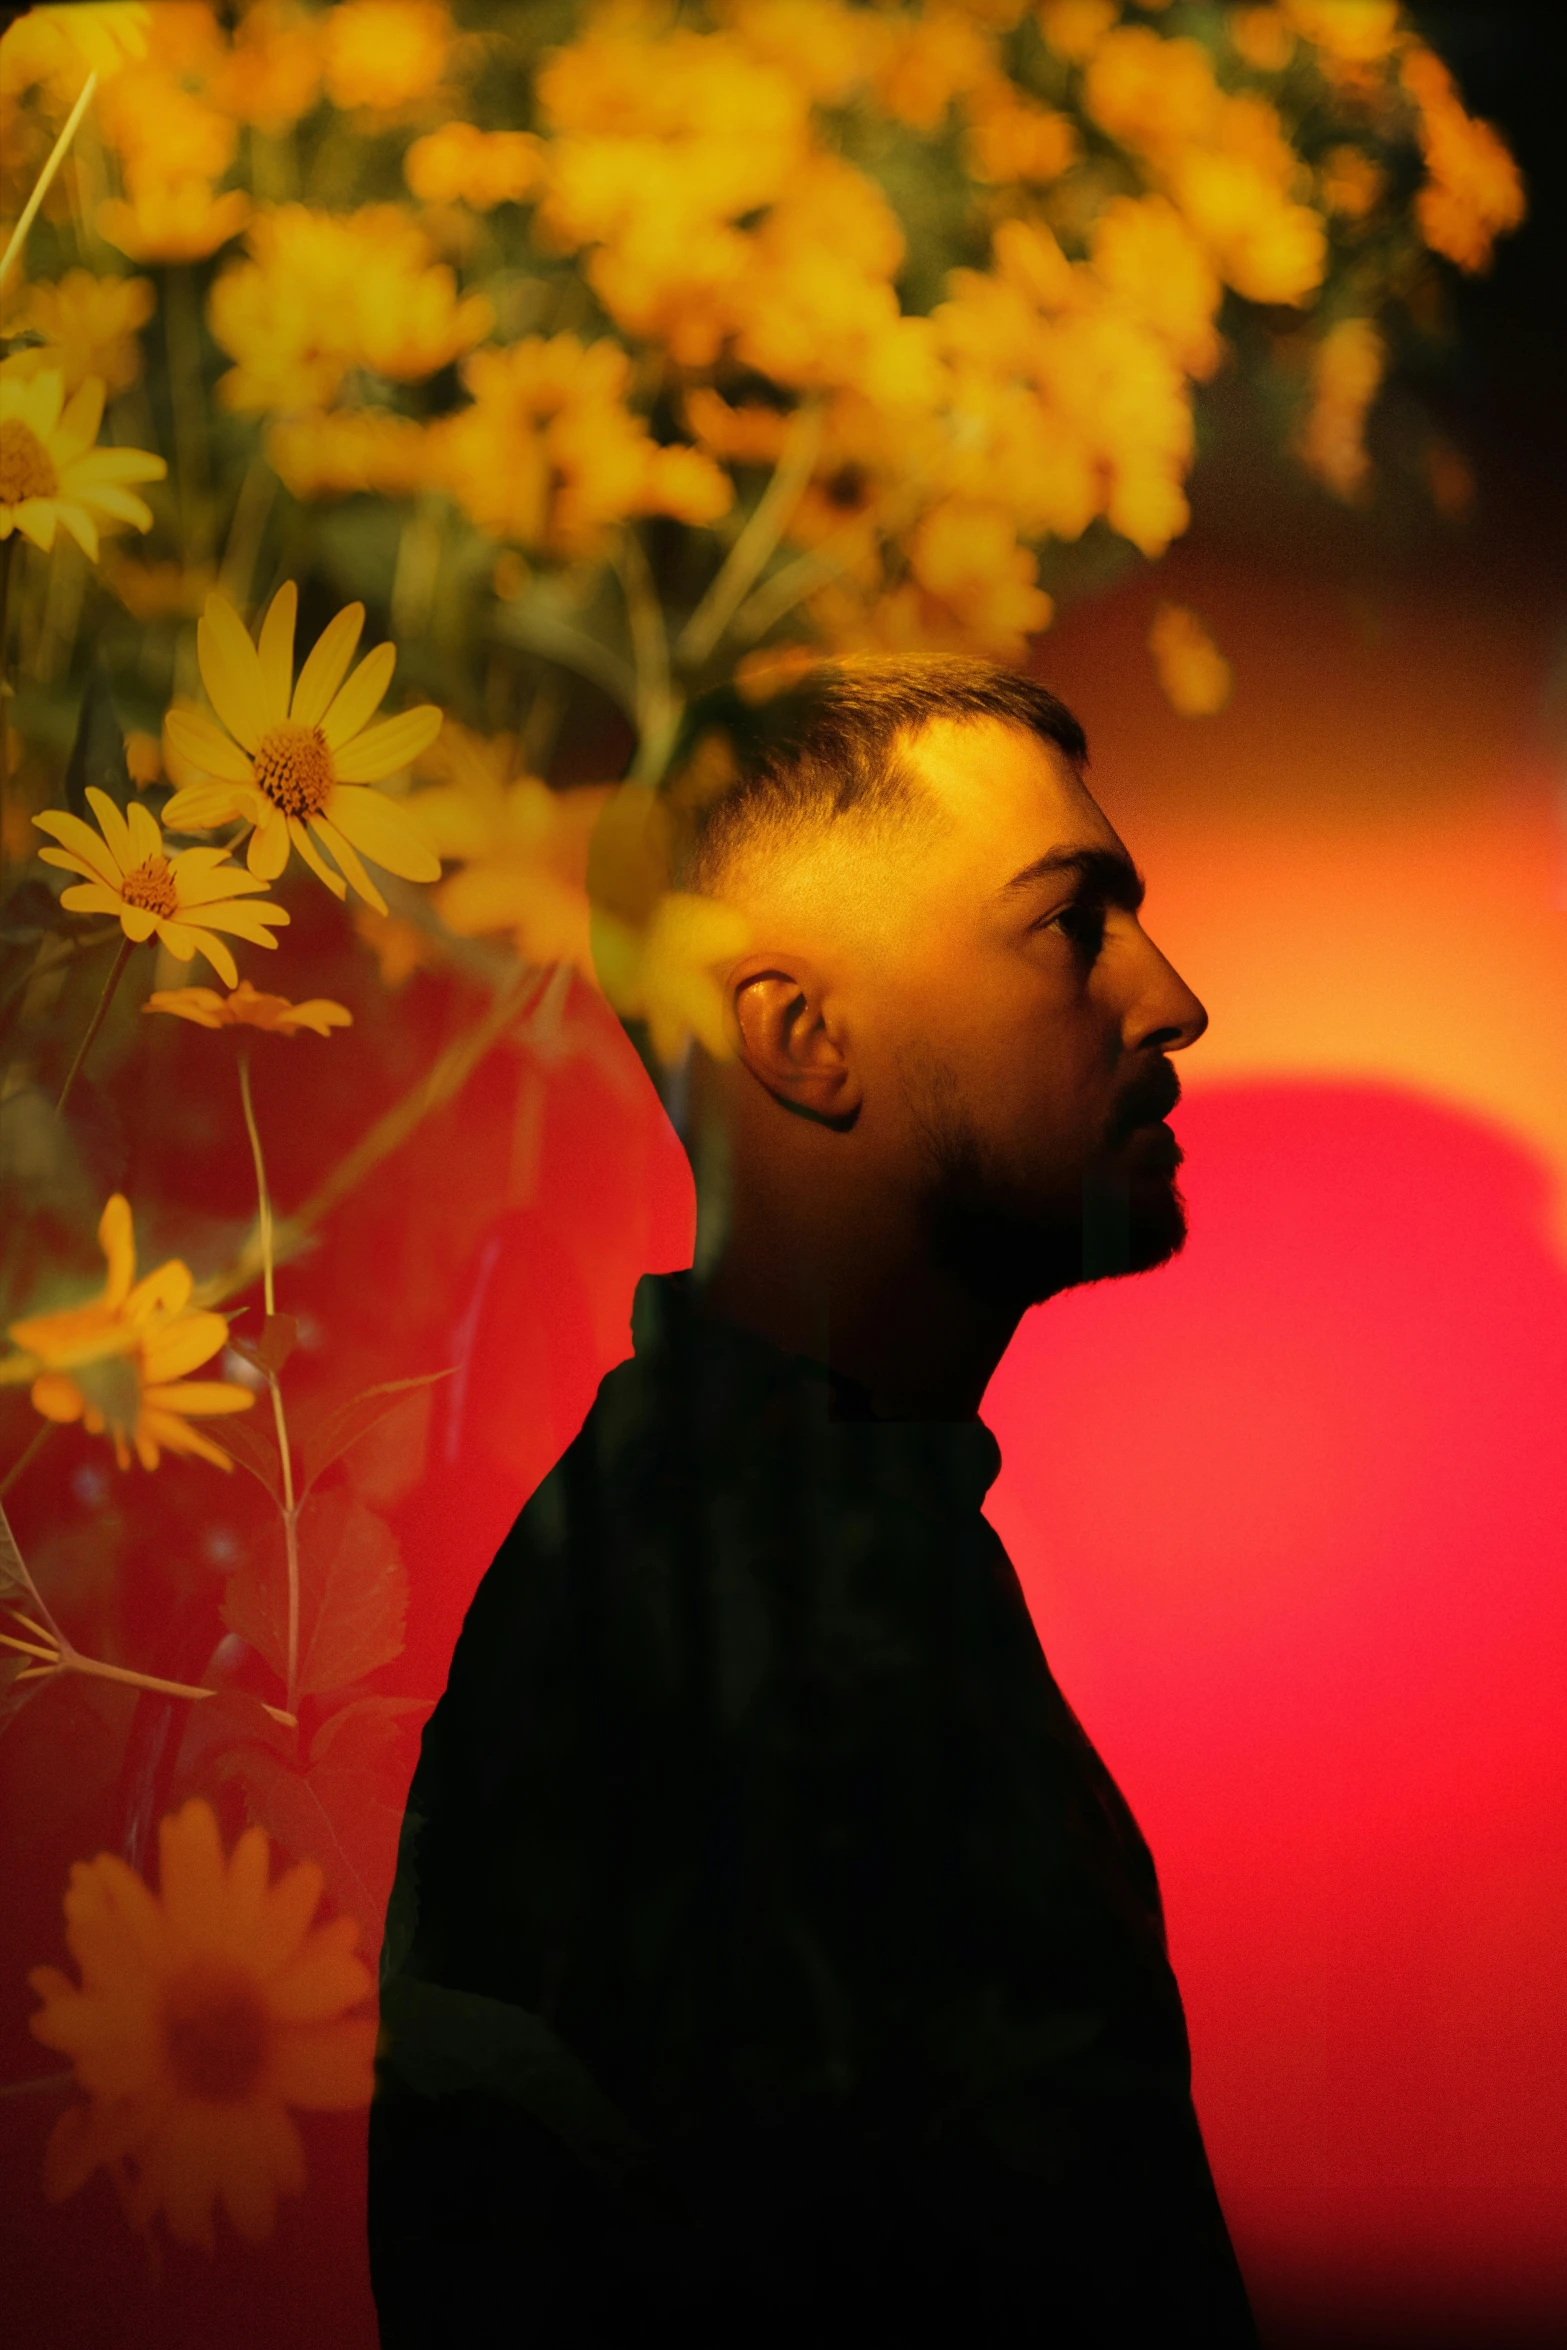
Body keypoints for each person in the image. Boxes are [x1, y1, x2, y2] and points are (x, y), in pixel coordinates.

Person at [369, 658, 1259, 2346]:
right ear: (799, 1034)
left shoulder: (824, 1539)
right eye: (1073, 926)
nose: (1172, 999)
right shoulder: (696, 1644)